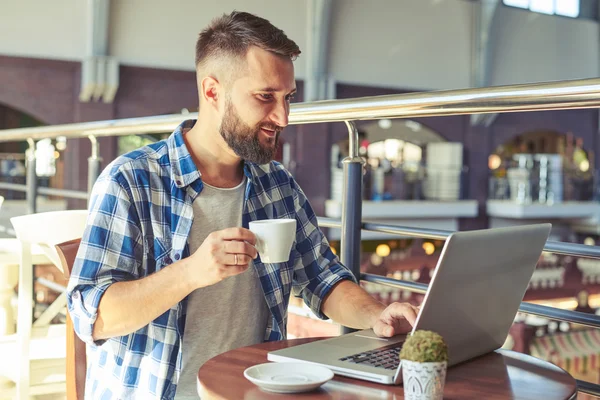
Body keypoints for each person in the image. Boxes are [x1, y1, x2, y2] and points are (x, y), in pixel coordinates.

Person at [67, 11, 419, 400]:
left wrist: (376, 316)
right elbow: (91, 316)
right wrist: (191, 272)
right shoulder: (131, 180)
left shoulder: (276, 184)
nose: (283, 117)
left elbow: (322, 277)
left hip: (257, 392)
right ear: (213, 91)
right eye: (265, 97)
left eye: (287, 99)